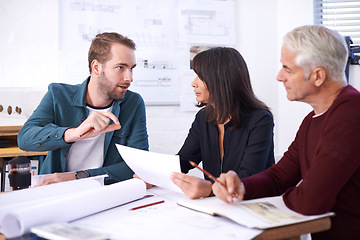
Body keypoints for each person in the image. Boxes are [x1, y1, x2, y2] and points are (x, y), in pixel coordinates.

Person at [213, 25, 360, 240]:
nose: (279, 76)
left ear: (318, 76)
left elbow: (310, 202)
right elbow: (280, 176)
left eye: (287, 69)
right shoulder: (313, 119)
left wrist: (296, 194)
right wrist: (242, 186)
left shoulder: (351, 112)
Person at [18, 32, 149, 186]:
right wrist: (74, 133)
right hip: (56, 190)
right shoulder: (58, 95)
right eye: (120, 67)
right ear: (96, 67)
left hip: (105, 191)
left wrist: (79, 176)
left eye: (131, 68)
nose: (129, 78)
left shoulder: (133, 103)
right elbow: (24, 139)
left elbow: (139, 165)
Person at [171, 47, 274, 199]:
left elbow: (247, 177)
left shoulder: (260, 119)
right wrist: (150, 174)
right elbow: (184, 161)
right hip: (218, 204)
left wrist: (209, 189)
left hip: (252, 203)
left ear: (220, 80)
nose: (193, 83)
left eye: (200, 77)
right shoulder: (203, 118)